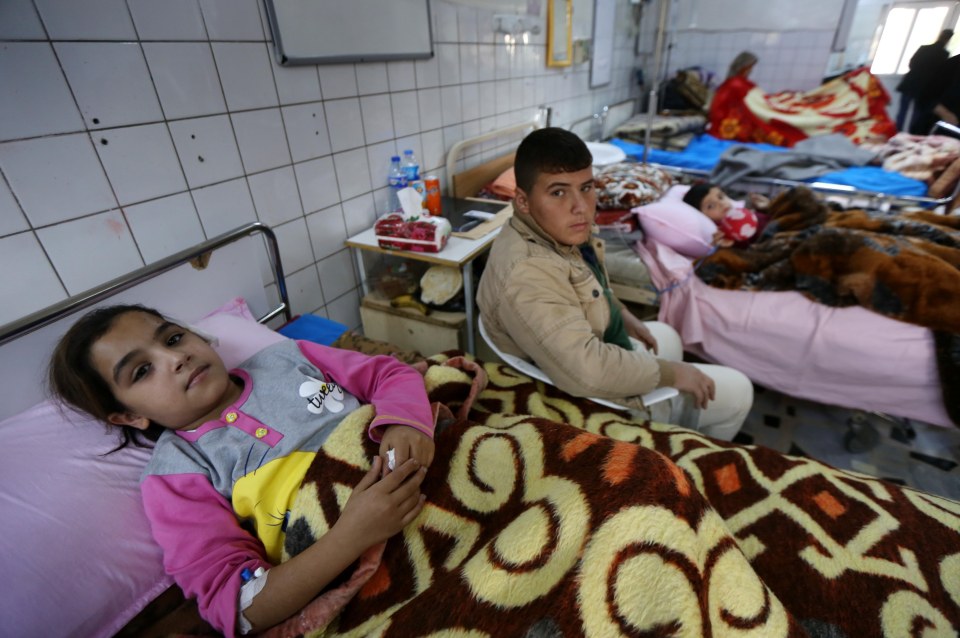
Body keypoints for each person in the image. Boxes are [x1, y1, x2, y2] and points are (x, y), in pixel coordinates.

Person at [48, 305, 435, 637]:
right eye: (142, 370)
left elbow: (390, 374)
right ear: (130, 415)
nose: (176, 358)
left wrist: (406, 423)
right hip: (373, 561)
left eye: (172, 339)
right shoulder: (175, 475)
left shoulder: (288, 357)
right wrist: (351, 537)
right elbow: (236, 603)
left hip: (432, 478)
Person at [477, 128, 754, 441]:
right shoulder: (527, 273)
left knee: (667, 338)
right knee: (739, 390)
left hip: (584, 345)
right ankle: (684, 454)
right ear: (523, 201)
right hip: (583, 397)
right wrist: (674, 374)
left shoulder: (553, 232)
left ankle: (676, 432)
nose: (580, 206)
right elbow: (587, 371)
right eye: (558, 192)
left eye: (586, 188)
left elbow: (587, 281)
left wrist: (620, 312)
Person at [896, 29, 953, 133]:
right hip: (922, 88)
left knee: (903, 111)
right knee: (914, 114)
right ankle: (908, 135)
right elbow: (938, 74)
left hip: (910, 83)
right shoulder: (943, 54)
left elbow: (912, 63)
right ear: (948, 39)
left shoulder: (924, 48)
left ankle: (898, 132)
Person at [682, 182, 770, 247]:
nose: (721, 203)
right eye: (711, 206)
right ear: (701, 215)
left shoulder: (741, 211)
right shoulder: (723, 233)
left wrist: (768, 207)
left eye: (720, 197)